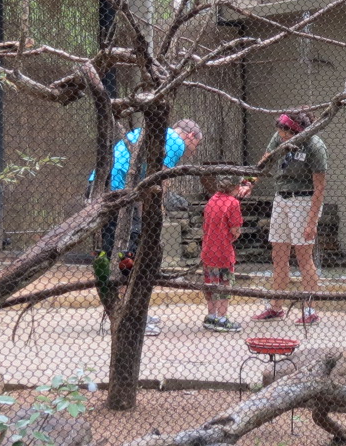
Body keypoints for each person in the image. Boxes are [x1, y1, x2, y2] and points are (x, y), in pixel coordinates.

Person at [92, 117, 203, 338]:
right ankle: (128, 316)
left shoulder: (156, 133)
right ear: (191, 136)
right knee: (124, 250)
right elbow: (161, 179)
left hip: (101, 184)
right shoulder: (175, 141)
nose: (192, 151)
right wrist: (156, 216)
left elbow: (146, 179)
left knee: (113, 248)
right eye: (196, 145)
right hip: (117, 189)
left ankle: (127, 312)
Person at [254, 111, 327, 325]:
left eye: (286, 134)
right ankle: (276, 307)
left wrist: (312, 221)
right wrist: (249, 182)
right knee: (279, 255)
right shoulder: (280, 136)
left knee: (304, 256)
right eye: (280, 133)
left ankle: (309, 309)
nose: (281, 137)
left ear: (296, 132)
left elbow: (319, 188)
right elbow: (266, 160)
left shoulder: (315, 146)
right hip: (281, 198)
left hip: (303, 201)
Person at [200, 175, 251, 332]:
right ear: (234, 187)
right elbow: (235, 230)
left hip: (208, 249)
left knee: (211, 283)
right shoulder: (233, 203)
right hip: (223, 251)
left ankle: (211, 316)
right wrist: (237, 234)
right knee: (225, 284)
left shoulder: (212, 200)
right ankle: (222, 318)